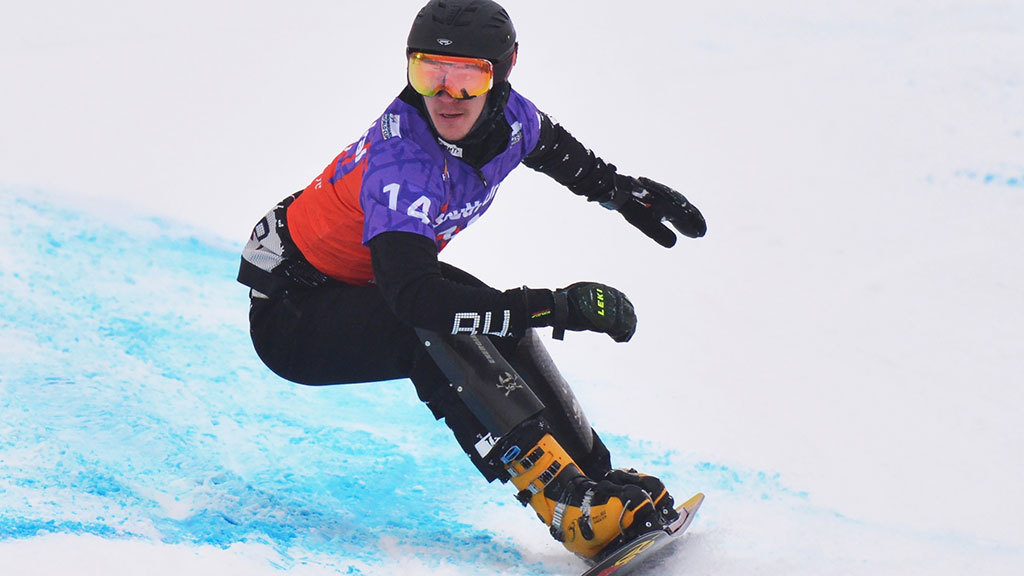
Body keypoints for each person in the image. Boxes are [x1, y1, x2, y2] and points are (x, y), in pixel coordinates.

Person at [238, 0, 706, 561]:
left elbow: (560, 154)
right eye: (428, 73)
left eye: (467, 77)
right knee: (438, 326)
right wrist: (556, 306)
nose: (445, 95)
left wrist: (622, 192)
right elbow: (415, 299)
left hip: (359, 278)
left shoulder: (512, 120)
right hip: (295, 313)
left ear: (503, 72)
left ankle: (594, 480)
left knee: (495, 319)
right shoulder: (404, 163)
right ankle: (566, 503)